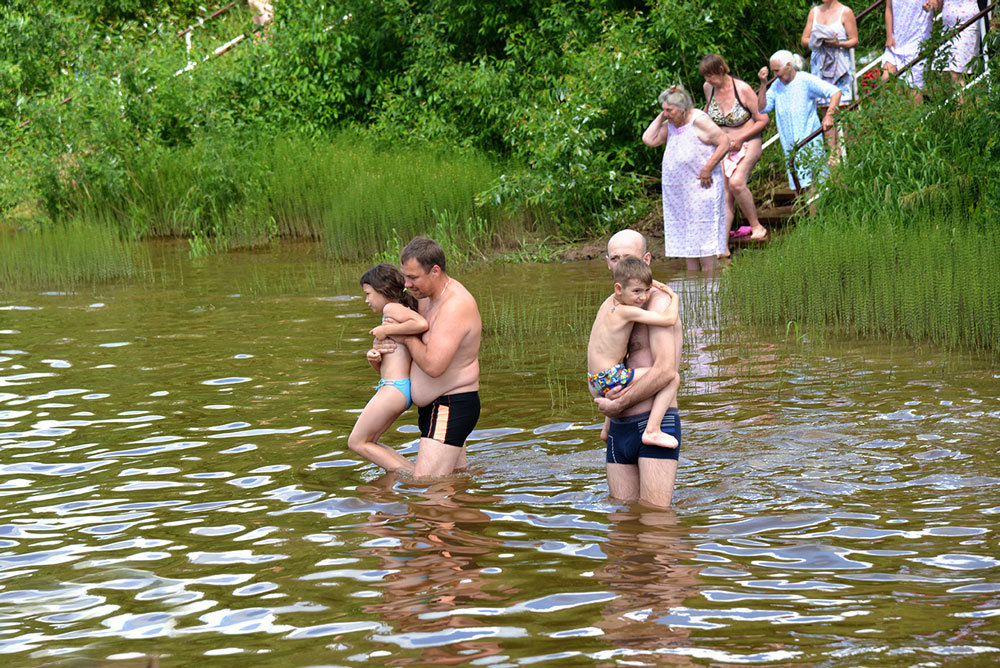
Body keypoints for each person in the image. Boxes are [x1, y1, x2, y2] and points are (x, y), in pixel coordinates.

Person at [371, 237, 482, 478]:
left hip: (451, 405)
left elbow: (433, 366)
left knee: (427, 485)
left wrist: (402, 336)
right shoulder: (425, 297)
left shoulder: (455, 305)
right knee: (453, 482)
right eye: (405, 276)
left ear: (435, 271)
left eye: (413, 278)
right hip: (436, 406)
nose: (406, 284)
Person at [594, 230, 684, 508]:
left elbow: (666, 371)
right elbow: (602, 363)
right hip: (618, 429)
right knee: (621, 529)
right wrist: (609, 413)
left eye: (628, 257)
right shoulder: (611, 306)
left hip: (652, 421)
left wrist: (616, 404)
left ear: (646, 259)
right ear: (608, 263)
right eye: (615, 258)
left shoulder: (658, 304)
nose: (621, 264)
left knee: (656, 524)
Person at [588, 256, 680, 449]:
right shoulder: (626, 311)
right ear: (618, 289)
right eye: (637, 291)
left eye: (647, 291)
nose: (643, 297)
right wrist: (674, 296)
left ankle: (606, 430)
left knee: (622, 364)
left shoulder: (607, 306)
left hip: (594, 378)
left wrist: (640, 286)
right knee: (671, 377)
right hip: (610, 377)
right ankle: (652, 430)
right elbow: (668, 319)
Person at [348, 264, 428, 472]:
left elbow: (421, 324)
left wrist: (387, 330)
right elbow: (392, 363)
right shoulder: (393, 311)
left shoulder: (392, 308)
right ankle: (413, 473)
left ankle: (414, 478)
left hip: (394, 389)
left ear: (382, 290)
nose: (366, 300)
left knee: (357, 442)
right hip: (394, 386)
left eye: (368, 294)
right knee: (368, 441)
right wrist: (375, 359)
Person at [642, 85, 729, 272]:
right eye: (664, 110)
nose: (666, 114)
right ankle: (693, 292)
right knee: (688, 245)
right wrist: (662, 115)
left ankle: (711, 290)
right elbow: (649, 139)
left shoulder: (698, 121)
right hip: (680, 194)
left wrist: (707, 168)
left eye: (669, 110)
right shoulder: (672, 125)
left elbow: (724, 142)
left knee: (704, 243)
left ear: (682, 108)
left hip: (702, 189)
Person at [698, 54, 770, 243]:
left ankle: (757, 226)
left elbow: (763, 119)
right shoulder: (709, 88)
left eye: (710, 75)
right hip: (723, 145)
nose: (707, 79)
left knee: (736, 183)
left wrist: (740, 138)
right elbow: (707, 111)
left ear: (721, 70)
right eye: (705, 76)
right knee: (724, 191)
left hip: (748, 139)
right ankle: (722, 243)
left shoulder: (743, 90)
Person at [756, 50, 842, 192]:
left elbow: (835, 92)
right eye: (773, 72)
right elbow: (762, 108)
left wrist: (830, 115)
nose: (775, 75)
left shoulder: (805, 80)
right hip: (790, 146)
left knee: (815, 185)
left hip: (809, 142)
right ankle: (806, 214)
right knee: (798, 187)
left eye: (777, 71)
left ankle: (817, 213)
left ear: (788, 66)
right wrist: (763, 84)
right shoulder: (776, 86)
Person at [802, 0, 858, 146]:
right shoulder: (814, 12)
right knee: (825, 109)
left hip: (839, 64)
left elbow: (854, 40)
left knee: (843, 109)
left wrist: (838, 43)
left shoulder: (845, 11)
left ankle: (845, 149)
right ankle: (833, 153)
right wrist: (818, 39)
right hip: (820, 65)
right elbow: (804, 40)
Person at [881, 0, 937, 100]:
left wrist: (931, 4)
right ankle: (894, 113)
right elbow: (889, 8)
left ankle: (917, 113)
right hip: (896, 41)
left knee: (913, 88)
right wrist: (889, 35)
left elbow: (936, 3)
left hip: (917, 40)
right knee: (886, 80)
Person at [939, 0, 981, 89]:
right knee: (944, 73)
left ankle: (963, 102)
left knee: (956, 74)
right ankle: (959, 101)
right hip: (947, 27)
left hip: (966, 23)